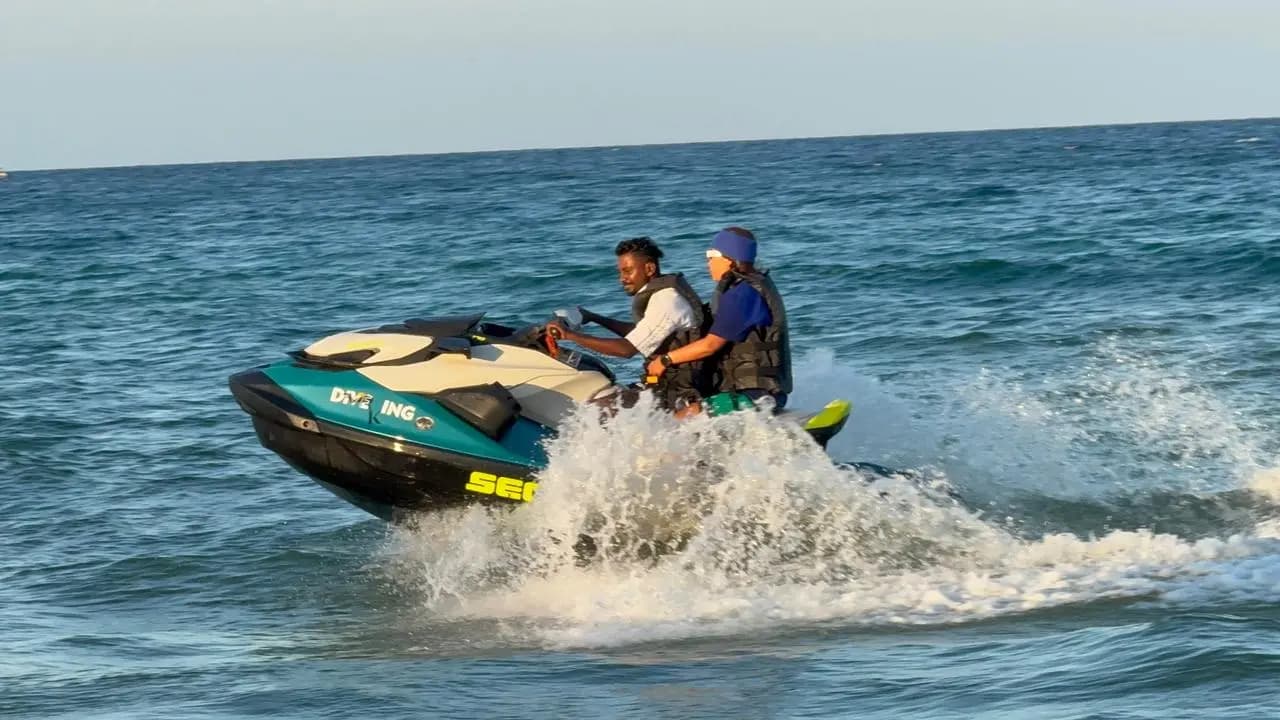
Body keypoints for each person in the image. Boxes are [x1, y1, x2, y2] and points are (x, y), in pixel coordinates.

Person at [549, 237, 712, 410]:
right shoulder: (662, 294)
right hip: (665, 382)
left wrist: (570, 336)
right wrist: (595, 317)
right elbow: (639, 333)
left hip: (680, 391)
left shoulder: (666, 300)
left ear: (649, 269)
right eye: (620, 272)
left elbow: (626, 350)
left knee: (596, 410)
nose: (622, 278)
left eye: (628, 271)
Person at [645, 226, 792, 412]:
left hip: (755, 396)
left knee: (687, 415)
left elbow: (710, 345)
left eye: (712, 256)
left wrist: (665, 360)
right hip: (762, 392)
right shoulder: (755, 285)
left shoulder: (742, 294)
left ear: (730, 259)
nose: (708, 263)